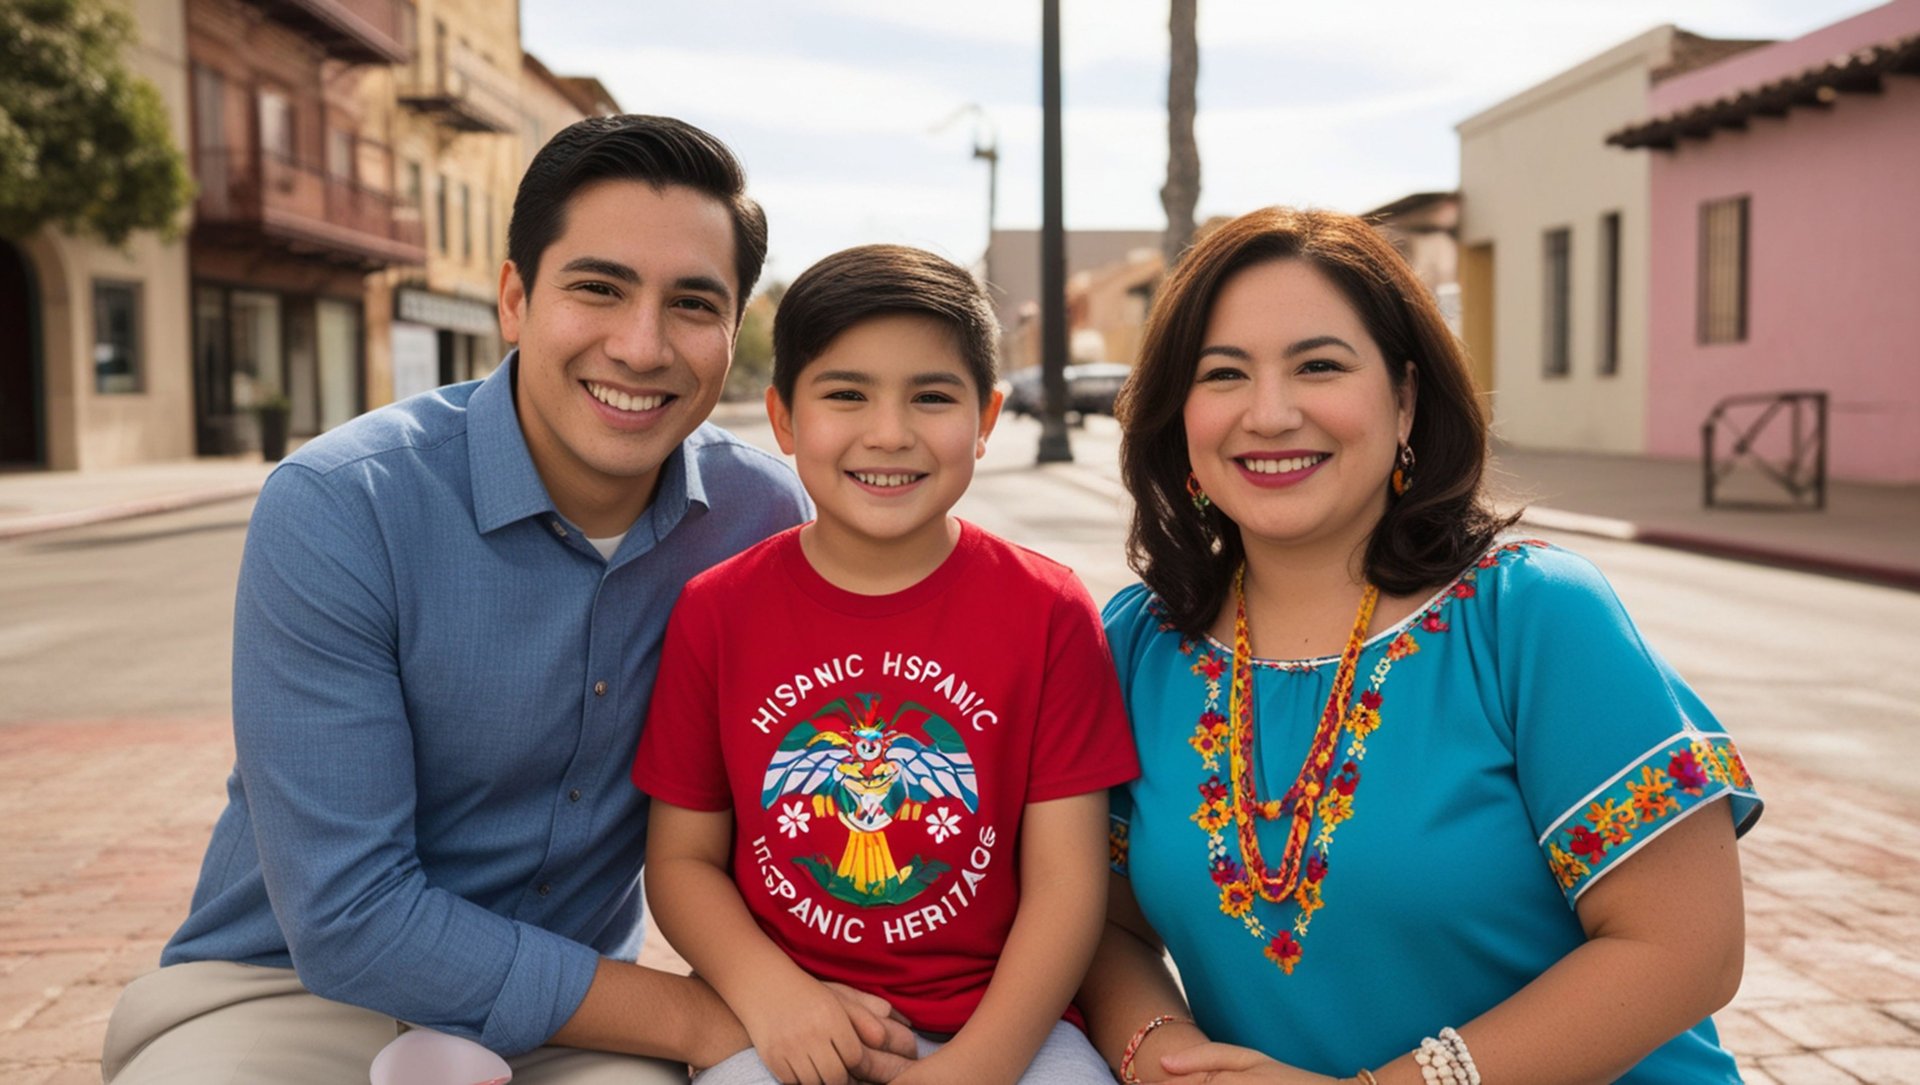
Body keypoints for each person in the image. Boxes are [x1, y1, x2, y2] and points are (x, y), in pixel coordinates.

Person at [101, 115, 917, 1084]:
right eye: (599, 288)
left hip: (575, 1023)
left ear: (733, 330)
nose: (642, 344)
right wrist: (702, 1018)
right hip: (288, 992)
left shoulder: (760, 519)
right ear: (515, 298)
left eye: (693, 304)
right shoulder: (342, 503)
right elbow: (349, 912)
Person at [1077, 207, 1763, 1084]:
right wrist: (1161, 1051)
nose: (1272, 412)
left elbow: (1685, 949)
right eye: (1224, 374)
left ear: (1404, 399)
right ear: (1180, 418)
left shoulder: (1528, 615)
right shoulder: (1137, 644)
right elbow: (1096, 919)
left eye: (1319, 365)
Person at [633, 244, 1140, 1085]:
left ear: (985, 419)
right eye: (846, 394)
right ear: (785, 418)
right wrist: (774, 996)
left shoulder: (1048, 610)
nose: (890, 432)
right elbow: (681, 862)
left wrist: (977, 1066)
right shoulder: (716, 611)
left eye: (932, 397)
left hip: (1008, 1028)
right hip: (782, 1020)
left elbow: (1066, 885)